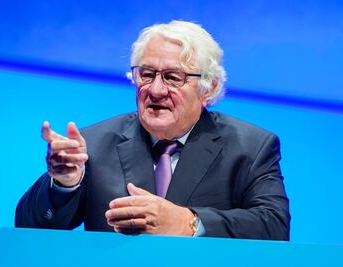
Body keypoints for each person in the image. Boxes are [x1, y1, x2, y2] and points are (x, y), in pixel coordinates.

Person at [15, 20, 290, 240]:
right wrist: (65, 184)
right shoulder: (94, 144)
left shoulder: (251, 147)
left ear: (210, 88)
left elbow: (274, 227)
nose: (156, 90)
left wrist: (189, 222)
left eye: (173, 77)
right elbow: (29, 227)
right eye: (146, 74)